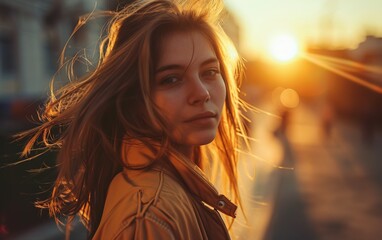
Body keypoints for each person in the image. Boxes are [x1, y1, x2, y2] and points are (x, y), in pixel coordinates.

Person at [19, 0, 248, 239]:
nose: (202, 93)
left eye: (210, 72)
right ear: (133, 97)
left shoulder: (163, 197)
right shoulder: (147, 218)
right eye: (171, 79)